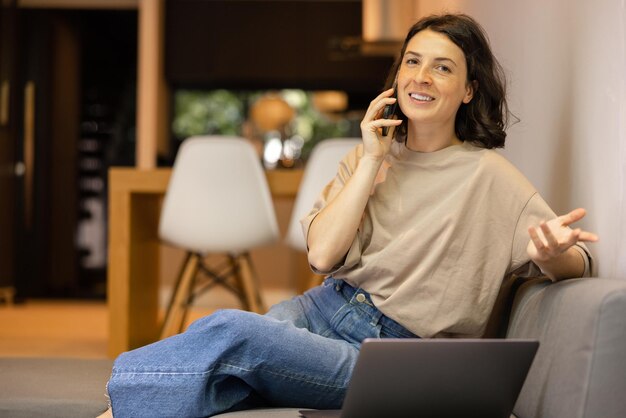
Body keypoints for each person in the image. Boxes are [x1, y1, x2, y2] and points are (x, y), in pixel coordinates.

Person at [101, 13, 597, 417]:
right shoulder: (366, 158)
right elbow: (322, 255)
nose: (421, 77)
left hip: (390, 356)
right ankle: (120, 409)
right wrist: (373, 160)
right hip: (325, 307)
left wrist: (554, 256)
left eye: (443, 68)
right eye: (412, 62)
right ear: (397, 75)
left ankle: (113, 399)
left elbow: (575, 260)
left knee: (233, 333)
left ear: (468, 90)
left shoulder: (491, 176)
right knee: (221, 361)